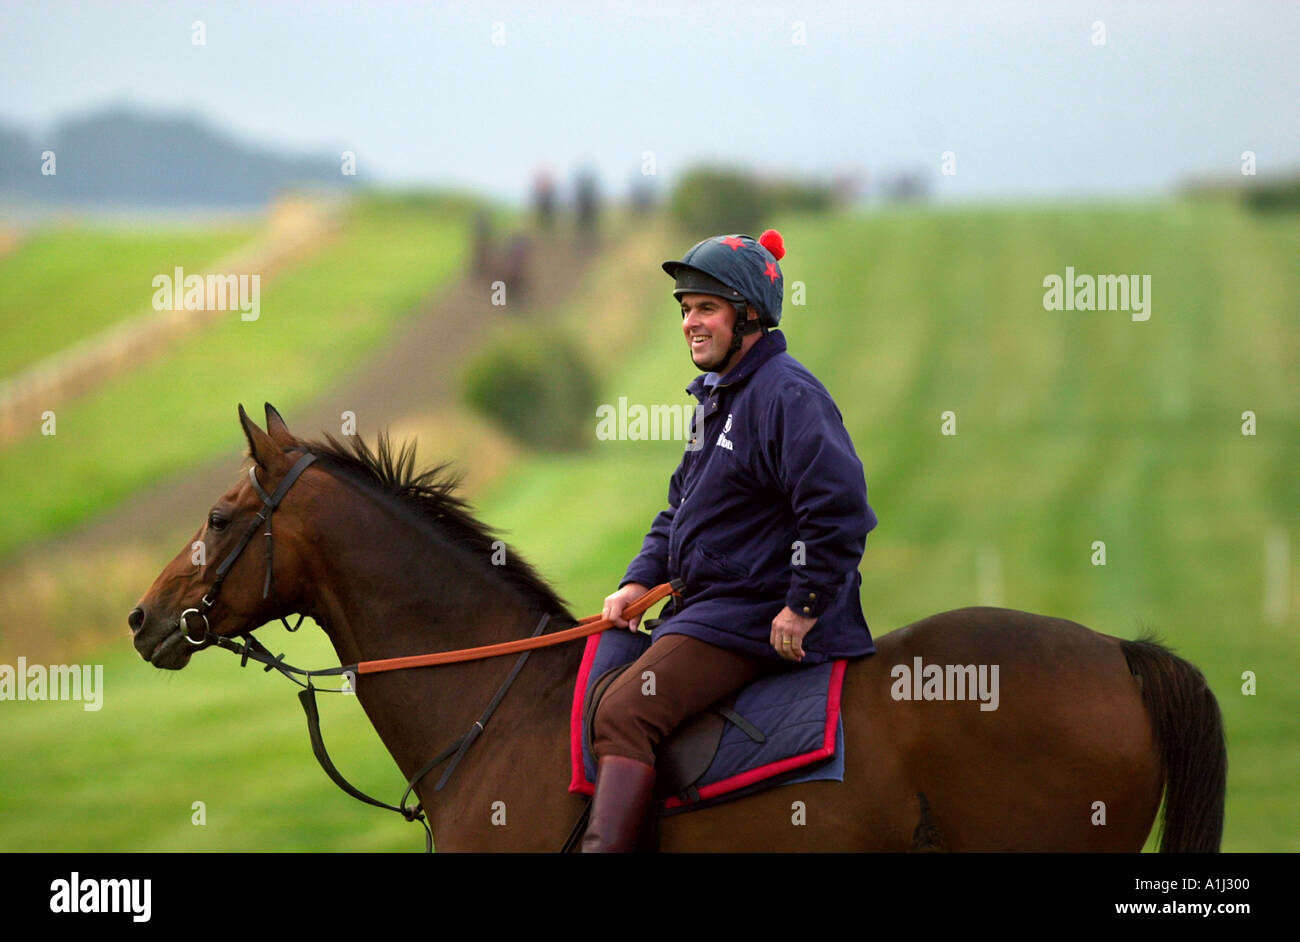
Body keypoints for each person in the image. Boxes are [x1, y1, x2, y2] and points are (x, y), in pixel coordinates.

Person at [582, 229, 878, 852]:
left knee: (624, 713)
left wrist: (803, 607)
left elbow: (841, 510)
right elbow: (678, 512)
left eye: (706, 309)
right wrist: (637, 580)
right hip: (709, 609)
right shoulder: (717, 397)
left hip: (752, 615)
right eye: (686, 309)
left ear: (748, 316)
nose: (691, 322)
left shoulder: (787, 395)